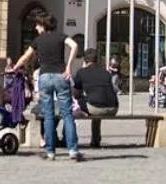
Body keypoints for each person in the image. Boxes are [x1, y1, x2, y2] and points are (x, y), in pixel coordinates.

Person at [8, 12, 82, 161]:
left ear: (43, 25)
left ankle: (50, 152)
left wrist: (15, 67)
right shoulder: (61, 36)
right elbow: (74, 45)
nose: (35, 27)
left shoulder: (38, 40)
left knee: (48, 115)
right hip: (61, 75)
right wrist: (69, 66)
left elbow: (26, 56)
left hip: (45, 76)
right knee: (67, 114)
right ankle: (73, 150)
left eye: (37, 24)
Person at [73, 49, 119, 148]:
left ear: (84, 61)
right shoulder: (106, 72)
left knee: (82, 101)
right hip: (113, 107)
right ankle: (95, 139)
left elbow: (76, 93)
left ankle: (69, 136)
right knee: (96, 102)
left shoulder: (81, 72)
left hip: (95, 108)